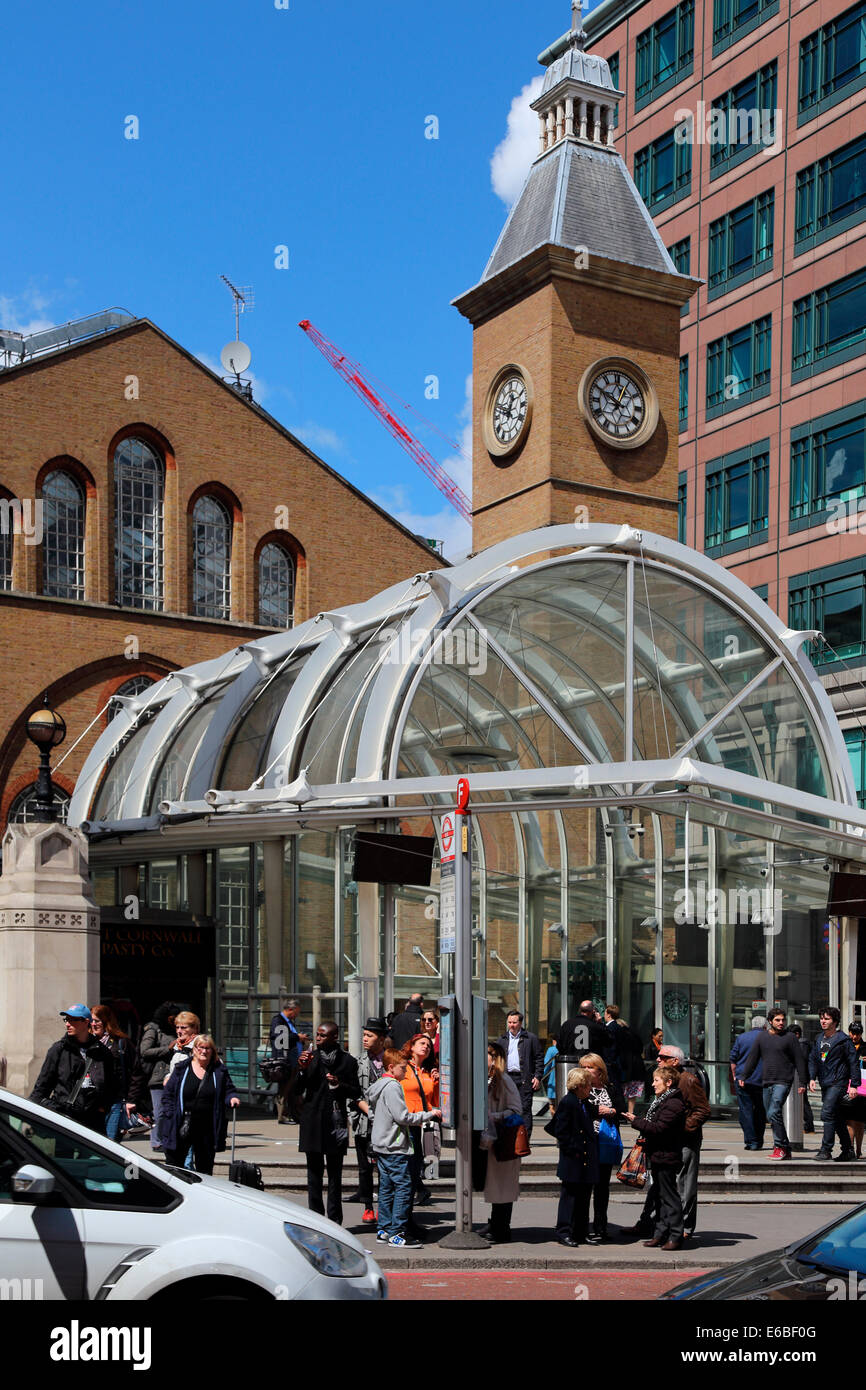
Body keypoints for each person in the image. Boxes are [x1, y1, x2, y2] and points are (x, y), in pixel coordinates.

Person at [368, 1047, 442, 1248]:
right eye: (403, 1068)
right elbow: (403, 1117)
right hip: (395, 1146)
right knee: (403, 1187)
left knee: (386, 1188)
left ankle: (384, 1229)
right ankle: (397, 1232)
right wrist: (429, 1114)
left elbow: (374, 1115)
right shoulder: (393, 1087)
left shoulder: (379, 1085)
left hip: (382, 1145)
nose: (406, 1072)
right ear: (391, 1068)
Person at [296, 1021, 360, 1224]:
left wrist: (338, 1084)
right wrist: (301, 1069)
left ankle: (334, 1221)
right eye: (317, 1034)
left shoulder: (347, 1061)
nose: (317, 1038)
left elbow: (355, 1091)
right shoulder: (310, 1058)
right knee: (313, 1173)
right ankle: (315, 1218)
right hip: (313, 1120)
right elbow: (297, 1089)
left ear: (334, 1037)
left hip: (335, 1122)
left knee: (335, 1175)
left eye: (322, 1035)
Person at [623, 1065, 686, 1251]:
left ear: (668, 1083)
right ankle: (660, 1234)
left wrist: (636, 1121)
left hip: (667, 1156)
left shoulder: (673, 1104)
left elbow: (658, 1129)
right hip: (659, 1155)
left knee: (669, 1198)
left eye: (656, 1080)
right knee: (660, 1197)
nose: (653, 1084)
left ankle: (675, 1235)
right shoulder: (662, 1100)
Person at [159, 1034, 240, 1174]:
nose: (204, 1051)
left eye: (208, 1048)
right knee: (175, 1165)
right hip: (182, 1123)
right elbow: (168, 1095)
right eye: (201, 1047)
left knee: (205, 1167)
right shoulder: (182, 1068)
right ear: (194, 1049)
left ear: (212, 1051)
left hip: (207, 1125)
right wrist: (171, 1113)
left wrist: (232, 1098)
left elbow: (229, 1089)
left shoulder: (219, 1071)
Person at [29, 1004, 116, 1133]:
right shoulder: (58, 1050)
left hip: (93, 1122)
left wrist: (102, 1108)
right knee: (64, 1154)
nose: (67, 1024)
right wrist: (55, 1111)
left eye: (72, 1020)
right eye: (66, 1019)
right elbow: (40, 1089)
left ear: (86, 1022)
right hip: (64, 1121)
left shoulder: (102, 1052)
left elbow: (112, 1086)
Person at [740, 1008, 808, 1159]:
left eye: (783, 1020)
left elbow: (799, 1060)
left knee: (773, 1112)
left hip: (783, 1081)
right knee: (772, 1115)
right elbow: (753, 1058)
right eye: (777, 1020)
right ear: (770, 1021)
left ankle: (779, 1146)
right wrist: (744, 1075)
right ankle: (785, 1148)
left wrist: (803, 1081)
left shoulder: (790, 1038)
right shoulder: (762, 1037)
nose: (781, 1023)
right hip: (766, 1081)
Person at [550, 1065, 599, 1247]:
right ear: (579, 1085)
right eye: (588, 1085)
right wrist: (572, 1149)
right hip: (574, 1159)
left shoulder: (584, 1102)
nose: (590, 1088)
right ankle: (564, 1232)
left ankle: (581, 1232)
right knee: (569, 1198)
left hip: (586, 1158)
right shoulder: (568, 1102)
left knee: (584, 1198)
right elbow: (561, 1131)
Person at [579, 1051, 623, 1242]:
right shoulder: (581, 1089)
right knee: (585, 1186)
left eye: (590, 1067)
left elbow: (621, 1109)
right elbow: (582, 1109)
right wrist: (598, 1110)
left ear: (600, 1070)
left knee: (602, 1187)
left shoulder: (610, 1088)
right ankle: (581, 1227)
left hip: (606, 1141)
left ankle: (600, 1226)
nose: (586, 1070)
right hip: (588, 1141)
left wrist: (612, 1110)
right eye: (584, 1067)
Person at [482, 1042, 524, 1244]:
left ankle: (501, 1228)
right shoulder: (489, 1079)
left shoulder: (505, 1081)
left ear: (494, 1058)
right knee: (495, 1185)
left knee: (504, 1185)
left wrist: (494, 1116)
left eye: (486, 1054)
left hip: (505, 1140)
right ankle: (495, 1223)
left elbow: (516, 1111)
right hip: (492, 1140)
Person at [349, 1017, 387, 1223]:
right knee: (364, 1167)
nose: (365, 1039)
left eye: (369, 1036)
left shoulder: (391, 1060)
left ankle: (384, 1205)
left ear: (381, 1039)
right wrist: (355, 1117)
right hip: (363, 1123)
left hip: (387, 1124)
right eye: (364, 1035)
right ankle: (367, 1206)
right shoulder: (358, 1062)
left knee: (384, 1166)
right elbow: (352, 1094)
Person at [809, 1006, 860, 1160]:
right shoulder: (819, 1039)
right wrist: (812, 1077)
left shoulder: (843, 1040)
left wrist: (853, 1085)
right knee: (836, 1117)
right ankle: (848, 1151)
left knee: (827, 1113)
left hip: (838, 1083)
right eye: (822, 1018)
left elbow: (853, 1063)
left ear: (835, 1021)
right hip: (825, 1082)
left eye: (827, 1019)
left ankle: (826, 1150)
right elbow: (813, 1059)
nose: (823, 1021)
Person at [90, 1003, 146, 1141]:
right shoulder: (87, 1043)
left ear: (106, 1021)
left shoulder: (121, 1043)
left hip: (114, 1101)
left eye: (97, 1021)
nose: (93, 1024)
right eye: (90, 1020)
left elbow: (137, 1072)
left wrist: (132, 1100)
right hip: (91, 1102)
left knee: (109, 1143)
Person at [400, 1033, 439, 1221]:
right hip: (403, 1123)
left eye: (429, 1045)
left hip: (420, 1124)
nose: (426, 1047)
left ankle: (407, 1216)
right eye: (422, 1043)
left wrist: (437, 1082)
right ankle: (401, 1219)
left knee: (415, 1167)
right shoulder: (404, 1068)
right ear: (412, 1046)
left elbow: (433, 1100)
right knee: (407, 1170)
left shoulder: (426, 1072)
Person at [139, 1001, 184, 1150]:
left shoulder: (179, 1031)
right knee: (160, 1112)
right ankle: (157, 1141)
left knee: (174, 1111)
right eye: (173, 1018)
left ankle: (169, 1139)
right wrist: (168, 1049)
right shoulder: (154, 1030)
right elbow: (144, 1051)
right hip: (158, 1077)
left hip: (176, 1076)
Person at [496, 1010, 543, 1138]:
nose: (511, 1025)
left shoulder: (530, 1038)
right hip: (507, 1078)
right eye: (509, 1022)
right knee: (506, 1108)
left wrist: (537, 1077)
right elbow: (496, 1059)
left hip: (524, 1079)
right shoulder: (502, 1039)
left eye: (514, 1022)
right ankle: (508, 1136)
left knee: (525, 1108)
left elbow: (539, 1058)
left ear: (520, 1023)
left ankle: (524, 1138)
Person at [730, 1016, 768, 1150]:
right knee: (760, 1111)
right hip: (762, 1080)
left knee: (745, 1110)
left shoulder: (742, 1038)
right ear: (765, 1026)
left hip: (743, 1080)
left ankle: (750, 1141)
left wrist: (735, 1076)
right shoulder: (768, 1037)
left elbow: (733, 1059)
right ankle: (758, 1140)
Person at [268, 998, 309, 1124]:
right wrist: (298, 1037)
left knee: (291, 1088)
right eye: (296, 1012)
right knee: (285, 1088)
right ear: (290, 1009)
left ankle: (294, 1114)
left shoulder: (288, 1022)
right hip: (284, 1061)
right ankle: (282, 1115)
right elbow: (280, 1039)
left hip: (292, 1061)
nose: (297, 1015)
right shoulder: (279, 1020)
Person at [842, 1021, 866, 1158]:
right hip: (847, 1086)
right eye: (853, 1033)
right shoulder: (845, 1045)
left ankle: (858, 1150)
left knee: (860, 1121)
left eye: (857, 1034)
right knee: (849, 1120)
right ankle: (850, 1149)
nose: (854, 1036)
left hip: (863, 1088)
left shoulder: (865, 1047)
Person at [790, 1024, 815, 1133]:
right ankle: (806, 1125)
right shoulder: (802, 1044)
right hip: (801, 1077)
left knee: (803, 1102)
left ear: (797, 1034)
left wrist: (804, 1079)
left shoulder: (801, 1045)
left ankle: (809, 1126)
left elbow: (802, 1062)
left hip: (800, 1077)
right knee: (802, 1102)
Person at [165, 1012, 201, 1080]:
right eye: (177, 1027)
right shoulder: (177, 1046)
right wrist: (168, 1077)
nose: (179, 1031)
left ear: (195, 1029)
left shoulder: (200, 1045)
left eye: (183, 1028)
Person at [540, 1035, 559, 1117]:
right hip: (567, 1084)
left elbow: (545, 1066)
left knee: (553, 1106)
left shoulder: (552, 1050)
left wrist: (538, 1077)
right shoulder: (570, 1048)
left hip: (554, 1083)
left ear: (554, 1041)